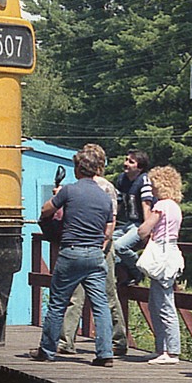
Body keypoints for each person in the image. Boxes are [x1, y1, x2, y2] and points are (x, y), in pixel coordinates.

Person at [32, 147, 116, 366]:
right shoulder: (105, 197)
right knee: (100, 305)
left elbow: (45, 210)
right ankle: (105, 353)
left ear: (78, 168)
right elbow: (108, 230)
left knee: (58, 302)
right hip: (96, 255)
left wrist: (57, 200)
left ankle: (47, 350)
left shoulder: (69, 190)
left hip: (71, 252)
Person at [57, 144, 127, 356]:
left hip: (97, 247)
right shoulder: (83, 186)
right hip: (93, 245)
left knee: (103, 294)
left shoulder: (104, 187)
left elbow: (111, 221)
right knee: (82, 295)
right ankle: (68, 340)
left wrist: (103, 245)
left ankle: (117, 339)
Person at [135, 165, 183, 365]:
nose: (152, 189)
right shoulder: (175, 207)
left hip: (161, 254)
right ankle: (163, 348)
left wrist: (145, 215)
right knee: (159, 302)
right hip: (171, 252)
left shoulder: (161, 206)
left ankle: (171, 351)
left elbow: (143, 230)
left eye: (154, 184)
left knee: (163, 304)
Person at [112, 150, 155, 285]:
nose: (126, 164)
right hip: (128, 223)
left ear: (140, 167)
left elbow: (146, 205)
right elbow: (118, 204)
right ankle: (124, 270)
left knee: (119, 246)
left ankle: (137, 270)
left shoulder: (144, 180)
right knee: (107, 243)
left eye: (131, 162)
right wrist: (110, 223)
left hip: (140, 224)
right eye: (126, 160)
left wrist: (147, 229)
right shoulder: (122, 179)